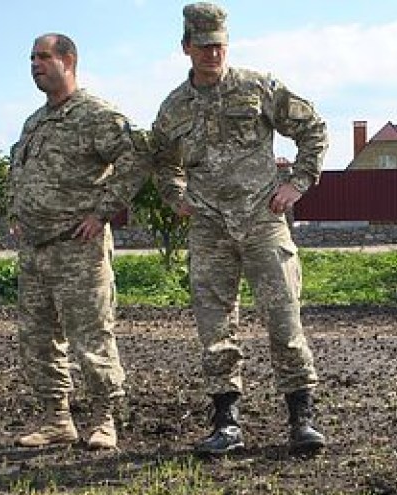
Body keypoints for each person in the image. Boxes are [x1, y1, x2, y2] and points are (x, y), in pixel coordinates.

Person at [151, 3, 328, 456]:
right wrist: (176, 197)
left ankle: (300, 419)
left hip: (262, 221)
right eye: (204, 46)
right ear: (186, 47)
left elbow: (312, 128)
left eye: (220, 46)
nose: (213, 54)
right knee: (215, 328)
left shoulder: (258, 87)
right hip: (209, 228)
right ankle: (226, 422)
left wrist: (298, 184)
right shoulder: (173, 107)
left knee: (283, 320)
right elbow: (160, 159)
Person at [8, 33, 148, 450]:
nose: (36, 64)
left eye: (44, 57)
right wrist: (17, 213)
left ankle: (105, 420)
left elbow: (135, 160)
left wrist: (102, 212)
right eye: (32, 57)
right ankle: (57, 419)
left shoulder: (96, 115)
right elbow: (22, 173)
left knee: (92, 336)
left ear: (69, 60)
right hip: (35, 250)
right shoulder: (35, 121)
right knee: (38, 338)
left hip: (78, 249)